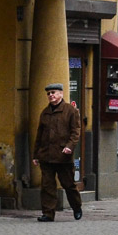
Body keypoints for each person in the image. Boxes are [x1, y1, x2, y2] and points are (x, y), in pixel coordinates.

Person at [33, 82, 82, 222]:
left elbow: (75, 132)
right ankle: (48, 213)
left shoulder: (70, 110)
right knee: (47, 186)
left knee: (69, 184)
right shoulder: (45, 112)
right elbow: (39, 135)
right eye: (48, 93)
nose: (51, 95)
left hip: (63, 155)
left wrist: (69, 146)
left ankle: (76, 207)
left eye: (53, 92)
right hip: (46, 155)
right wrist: (36, 155)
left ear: (61, 93)